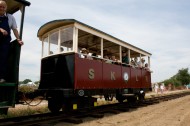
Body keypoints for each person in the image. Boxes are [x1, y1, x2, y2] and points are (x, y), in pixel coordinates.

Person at [0, 0, 23, 83]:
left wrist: (18, 39)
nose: (2, 8)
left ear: (6, 8)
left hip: (5, 42)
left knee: (3, 59)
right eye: (0, 6)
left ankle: (2, 78)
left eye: (3, 7)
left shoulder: (10, 17)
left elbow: (14, 29)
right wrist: (1, 29)